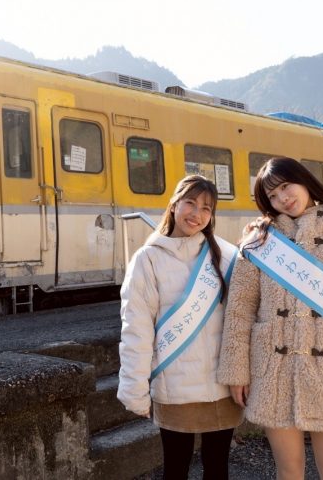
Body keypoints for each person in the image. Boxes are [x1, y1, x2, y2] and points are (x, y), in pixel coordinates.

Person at [217, 157, 323, 480]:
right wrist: (237, 371)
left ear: (304, 180)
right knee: (288, 471)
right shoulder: (260, 238)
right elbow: (239, 310)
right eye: (272, 195)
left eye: (286, 186)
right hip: (272, 372)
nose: (282, 198)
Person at [118, 174, 243, 480]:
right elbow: (136, 329)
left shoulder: (225, 256)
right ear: (174, 204)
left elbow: (240, 321)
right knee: (175, 469)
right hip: (174, 387)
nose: (196, 214)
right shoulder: (148, 259)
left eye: (206, 208)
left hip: (221, 387)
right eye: (190, 203)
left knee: (218, 468)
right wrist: (135, 390)